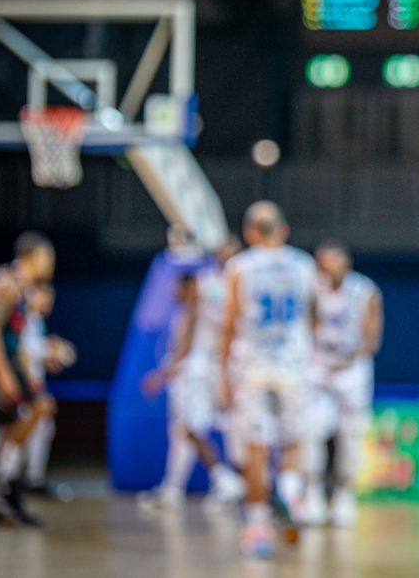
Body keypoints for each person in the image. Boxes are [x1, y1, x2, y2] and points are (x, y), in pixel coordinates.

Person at [218, 201, 316, 558]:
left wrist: (222, 372)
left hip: (252, 365)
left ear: (249, 232)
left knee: (256, 447)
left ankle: (258, 528)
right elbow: (313, 316)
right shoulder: (304, 265)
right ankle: (290, 491)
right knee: (292, 441)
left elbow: (229, 322)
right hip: (293, 363)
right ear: (283, 229)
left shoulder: (239, 267)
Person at [139, 241, 245, 511]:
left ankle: (226, 479)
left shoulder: (223, 285)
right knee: (186, 430)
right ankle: (175, 488)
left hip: (203, 369)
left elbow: (191, 331)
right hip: (211, 367)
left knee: (191, 427)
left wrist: (166, 371)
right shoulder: (215, 283)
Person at [0, 232, 57, 526]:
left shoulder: (25, 288)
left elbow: (20, 340)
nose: (50, 265)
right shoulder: (5, 281)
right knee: (32, 409)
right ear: (33, 256)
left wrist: (32, 368)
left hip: (10, 360)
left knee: (29, 414)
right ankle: (1, 484)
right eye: (47, 258)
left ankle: (3, 484)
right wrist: (3, 374)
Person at [302, 240, 383, 527]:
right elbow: (306, 327)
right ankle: (312, 493)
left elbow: (371, 336)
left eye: (334, 262)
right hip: (318, 364)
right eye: (324, 264)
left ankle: (344, 495)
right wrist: (318, 360)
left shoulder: (365, 290)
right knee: (313, 431)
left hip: (352, 368)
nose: (330, 269)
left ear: (346, 263)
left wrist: (347, 360)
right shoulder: (311, 289)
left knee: (350, 434)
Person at [19, 281, 76, 501]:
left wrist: (50, 358)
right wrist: (51, 350)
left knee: (42, 428)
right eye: (44, 297)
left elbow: (35, 355)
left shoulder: (36, 321)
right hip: (21, 385)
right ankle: (4, 480)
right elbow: (22, 351)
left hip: (33, 384)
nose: (48, 303)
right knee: (18, 431)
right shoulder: (20, 318)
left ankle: (33, 479)